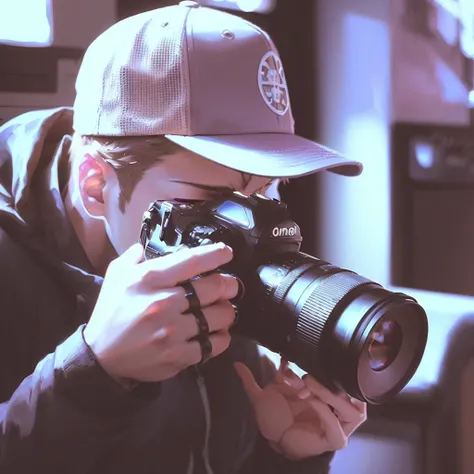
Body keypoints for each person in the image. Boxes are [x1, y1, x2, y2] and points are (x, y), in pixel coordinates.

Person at [0, 2, 367, 473]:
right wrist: (93, 371)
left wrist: (286, 454)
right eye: (216, 201)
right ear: (96, 186)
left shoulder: (225, 263)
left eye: (266, 191)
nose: (249, 227)